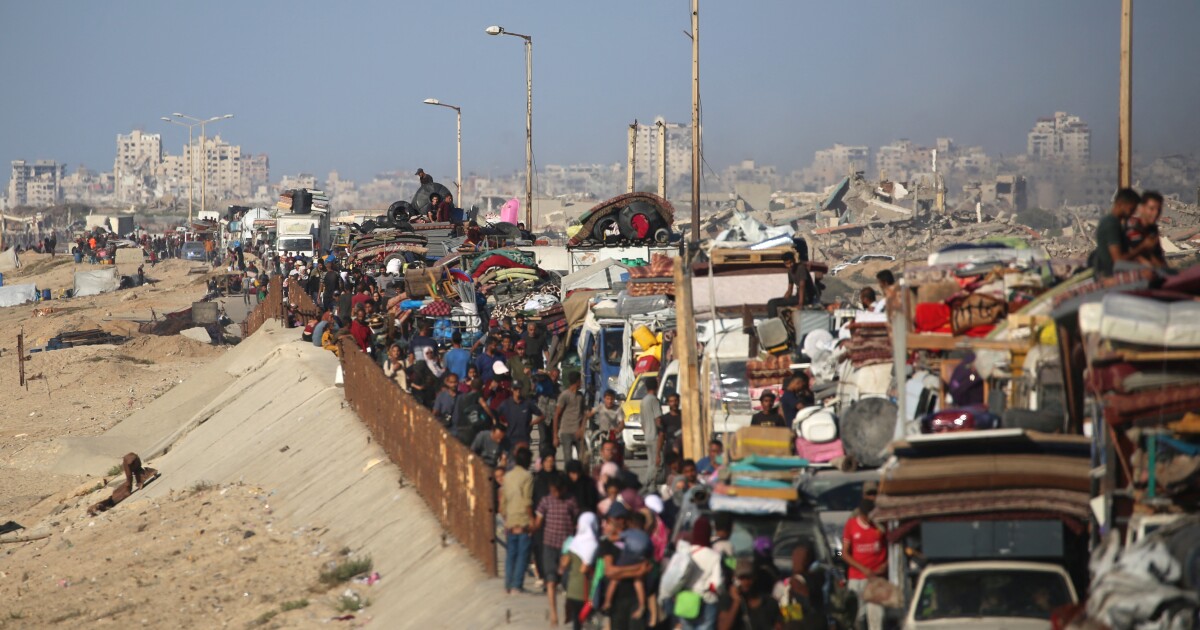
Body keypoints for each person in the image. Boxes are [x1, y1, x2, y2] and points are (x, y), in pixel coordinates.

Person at [534, 474, 579, 625]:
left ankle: (568, 608)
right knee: (551, 580)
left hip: (567, 548)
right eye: (553, 491)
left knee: (567, 582)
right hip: (549, 545)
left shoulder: (571, 501)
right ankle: (553, 614)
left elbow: (576, 521)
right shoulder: (546, 501)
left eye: (558, 491)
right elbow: (538, 521)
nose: (556, 494)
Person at [843, 498, 887, 630]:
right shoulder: (851, 525)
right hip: (857, 578)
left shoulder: (881, 526)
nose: (869, 518)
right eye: (867, 515)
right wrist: (863, 569)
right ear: (861, 514)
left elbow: (892, 548)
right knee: (858, 616)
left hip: (876, 579)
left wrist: (886, 565)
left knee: (877, 616)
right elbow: (843, 553)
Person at [604, 508, 650, 624]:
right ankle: (642, 605)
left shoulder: (629, 533)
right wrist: (638, 570)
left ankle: (607, 602)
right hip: (641, 557)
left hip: (629, 555)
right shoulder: (646, 536)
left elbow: (609, 572)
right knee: (638, 581)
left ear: (630, 523)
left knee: (614, 579)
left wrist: (609, 537)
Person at [501, 447, 535, 594]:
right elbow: (527, 500)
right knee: (522, 554)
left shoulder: (507, 476)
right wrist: (532, 519)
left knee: (511, 554)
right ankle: (516, 584)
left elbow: (503, 501)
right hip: (523, 519)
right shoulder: (528, 477)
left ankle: (508, 584)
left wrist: (506, 517)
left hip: (510, 519)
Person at [718, 558, 783, 630]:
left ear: (754, 578)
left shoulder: (769, 602)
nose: (746, 582)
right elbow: (723, 628)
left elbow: (779, 625)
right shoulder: (728, 600)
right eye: (742, 578)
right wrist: (736, 602)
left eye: (748, 578)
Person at [1091, 187, 1143, 278]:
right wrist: (1142, 247)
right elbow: (1118, 261)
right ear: (1121, 204)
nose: (1133, 212)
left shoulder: (1111, 222)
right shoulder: (1111, 223)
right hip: (1112, 276)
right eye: (1131, 209)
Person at [561, 512, 599, 630]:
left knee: (576, 622)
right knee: (589, 621)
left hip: (572, 589)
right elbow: (584, 569)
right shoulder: (593, 544)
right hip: (586, 591)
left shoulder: (574, 542)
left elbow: (564, 563)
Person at [497, 385, 545, 452]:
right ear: (512, 390)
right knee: (510, 457)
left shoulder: (527, 403)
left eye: (519, 389)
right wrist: (502, 424)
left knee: (523, 457)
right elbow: (495, 415)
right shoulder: (506, 404)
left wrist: (531, 423)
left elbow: (542, 416)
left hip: (524, 438)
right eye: (515, 389)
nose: (518, 391)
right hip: (510, 438)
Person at [1127, 190, 1168, 268]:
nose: (1156, 213)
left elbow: (1158, 256)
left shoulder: (1153, 230)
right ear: (1142, 208)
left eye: (1158, 210)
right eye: (1151, 209)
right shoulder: (1131, 228)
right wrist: (1143, 246)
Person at [554, 372, 587, 464]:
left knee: (583, 459)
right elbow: (556, 415)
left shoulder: (580, 396)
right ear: (577, 381)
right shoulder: (564, 395)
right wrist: (555, 436)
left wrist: (582, 429)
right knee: (568, 460)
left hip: (578, 432)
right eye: (580, 380)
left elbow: (584, 414)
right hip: (566, 432)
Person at [587, 390, 625, 460]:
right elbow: (590, 414)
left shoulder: (618, 409)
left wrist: (618, 429)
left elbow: (622, 423)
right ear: (604, 399)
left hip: (613, 435)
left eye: (611, 399)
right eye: (608, 399)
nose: (609, 401)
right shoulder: (600, 407)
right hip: (602, 435)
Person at [639, 378, 662, 482]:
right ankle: (648, 483)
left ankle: (649, 483)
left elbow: (642, 423)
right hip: (655, 436)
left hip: (648, 436)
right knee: (656, 463)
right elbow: (658, 419)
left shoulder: (643, 401)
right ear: (656, 386)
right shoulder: (654, 400)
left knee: (651, 462)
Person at [655, 393, 683, 475]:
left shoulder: (684, 416)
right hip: (669, 452)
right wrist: (658, 454)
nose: (674, 403)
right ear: (668, 403)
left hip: (683, 452)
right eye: (671, 401)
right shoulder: (664, 419)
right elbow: (661, 436)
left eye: (676, 401)